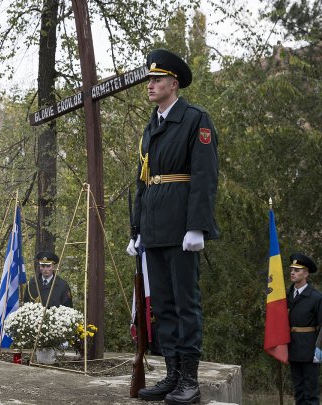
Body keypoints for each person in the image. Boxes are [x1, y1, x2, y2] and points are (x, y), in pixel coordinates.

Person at [126, 49, 219, 404]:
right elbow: (143, 180)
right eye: (149, 79)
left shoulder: (196, 119)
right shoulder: (153, 125)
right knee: (162, 305)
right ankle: (171, 375)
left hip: (182, 228)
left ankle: (189, 381)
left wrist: (197, 226)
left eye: (157, 79)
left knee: (185, 303)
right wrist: (136, 231)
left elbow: (205, 177)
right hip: (153, 229)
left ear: (174, 83)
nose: (150, 85)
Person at [286, 253, 322, 405]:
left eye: (297, 270)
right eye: (292, 269)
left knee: (310, 394)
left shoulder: (316, 297)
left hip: (309, 350)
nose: (293, 272)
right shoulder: (287, 295)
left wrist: (319, 349)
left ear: (306, 273)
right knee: (299, 392)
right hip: (293, 348)